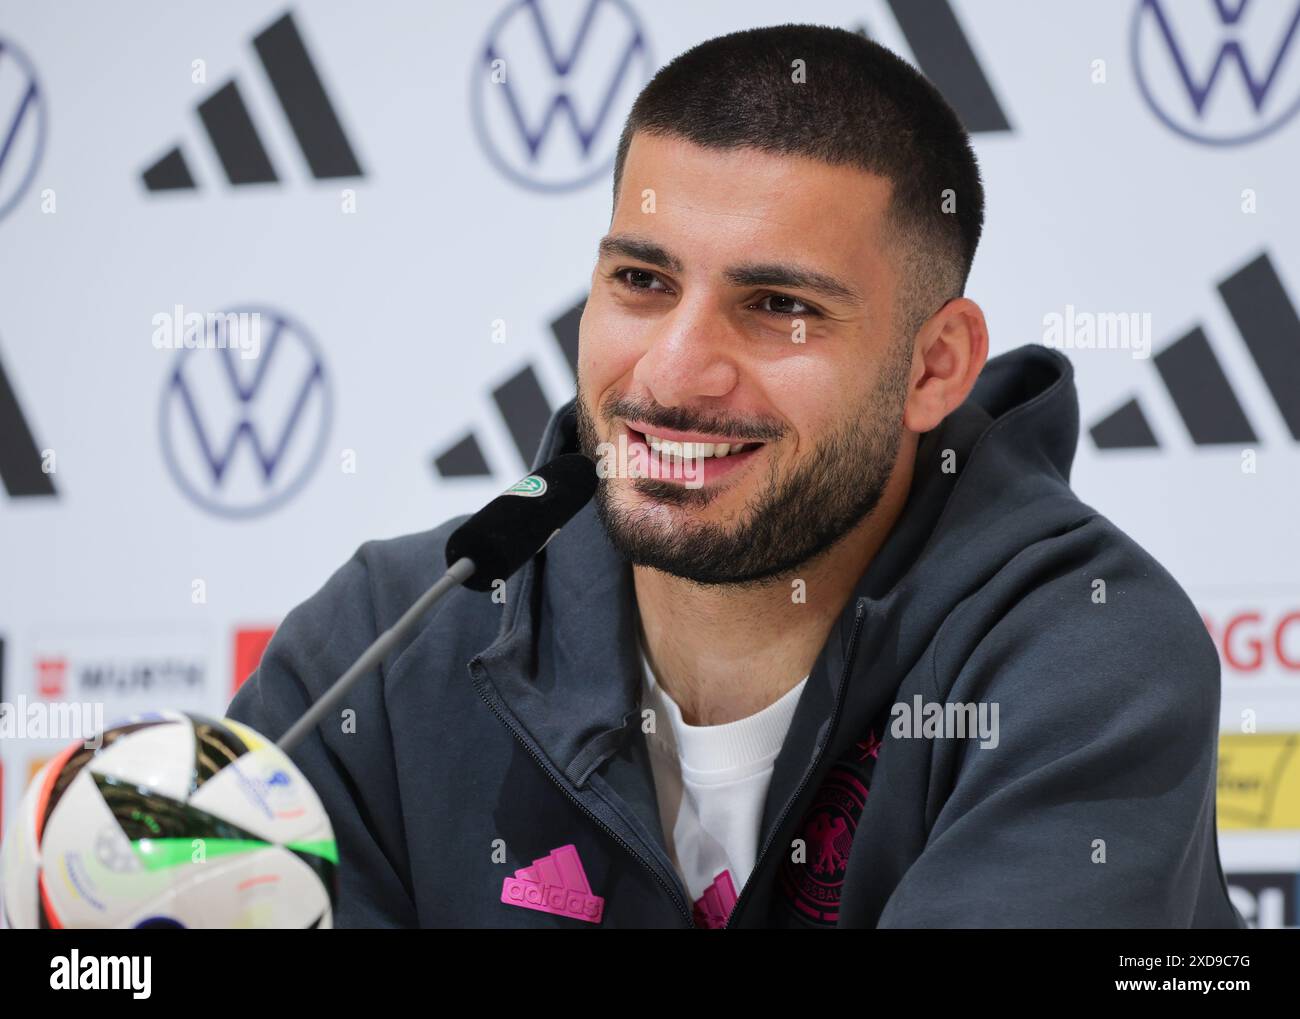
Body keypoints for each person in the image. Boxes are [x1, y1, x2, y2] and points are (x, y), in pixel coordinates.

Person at [228, 24, 1244, 928]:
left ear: (934, 365)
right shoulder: (385, 644)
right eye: (641, 280)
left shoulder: (1088, 657)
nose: (672, 372)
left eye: (776, 305)